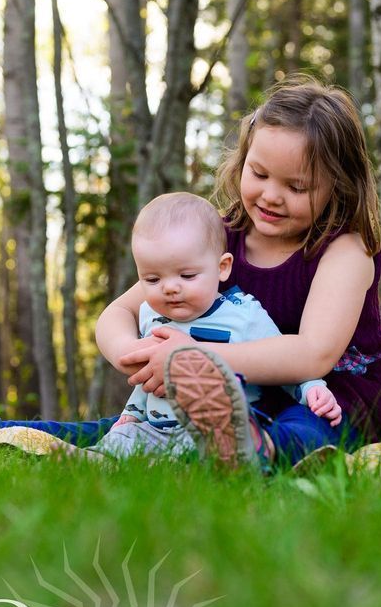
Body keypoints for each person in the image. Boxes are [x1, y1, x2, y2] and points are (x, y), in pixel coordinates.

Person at [0, 78, 381, 465]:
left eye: (297, 186)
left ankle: (257, 453)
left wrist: (196, 360)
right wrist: (140, 354)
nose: (271, 195)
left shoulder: (344, 250)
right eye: (260, 173)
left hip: (330, 395)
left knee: (306, 429)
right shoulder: (214, 239)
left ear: (338, 185)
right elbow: (119, 312)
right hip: (235, 394)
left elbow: (312, 355)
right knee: (126, 430)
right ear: (242, 161)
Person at [87, 192, 341, 464]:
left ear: (222, 268)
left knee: (197, 452)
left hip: (220, 430)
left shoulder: (243, 316)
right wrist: (132, 414)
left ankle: (202, 463)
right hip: (155, 427)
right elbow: (148, 380)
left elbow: (286, 361)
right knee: (120, 438)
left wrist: (313, 388)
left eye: (187, 276)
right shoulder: (151, 314)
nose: (170, 287)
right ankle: (88, 460)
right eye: (152, 279)